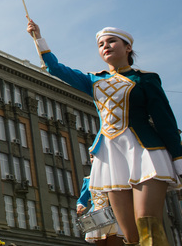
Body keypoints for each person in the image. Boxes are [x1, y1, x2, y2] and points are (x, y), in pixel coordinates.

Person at [27, 21, 182, 245]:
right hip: (111, 157)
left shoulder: (146, 79)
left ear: (128, 47)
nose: (105, 46)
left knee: (148, 222)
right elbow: (56, 69)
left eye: (112, 41)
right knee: (129, 235)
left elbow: (165, 121)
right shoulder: (94, 81)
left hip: (146, 152)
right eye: (101, 44)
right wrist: (38, 38)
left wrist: (178, 158)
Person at [77, 171, 123, 245]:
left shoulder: (113, 175)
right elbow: (82, 199)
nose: (93, 160)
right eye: (91, 158)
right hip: (97, 215)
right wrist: (80, 206)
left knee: (114, 240)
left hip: (114, 213)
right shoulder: (88, 179)